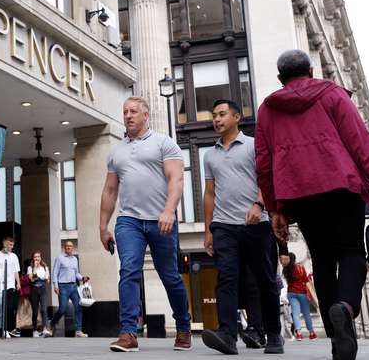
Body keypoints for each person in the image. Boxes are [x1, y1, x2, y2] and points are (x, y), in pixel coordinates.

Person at [255, 49, 369, 360]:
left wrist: (274, 208)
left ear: (281, 79)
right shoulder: (331, 95)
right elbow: (361, 142)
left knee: (321, 258)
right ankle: (344, 307)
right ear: (311, 69)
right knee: (351, 253)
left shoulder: (268, 109)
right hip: (342, 185)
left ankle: (338, 340)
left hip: (299, 193)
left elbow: (263, 163)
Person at [99, 97, 192, 353]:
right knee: (129, 270)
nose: (128, 116)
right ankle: (128, 333)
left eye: (133, 111)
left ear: (146, 115)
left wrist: (169, 211)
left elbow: (176, 180)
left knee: (170, 276)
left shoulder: (163, 143)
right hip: (129, 220)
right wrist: (103, 226)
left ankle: (183, 327)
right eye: (125, 111)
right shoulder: (116, 151)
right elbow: (109, 190)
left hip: (161, 220)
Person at [201, 99, 284, 355]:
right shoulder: (210, 154)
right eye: (214, 115)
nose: (216, 119)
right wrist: (208, 230)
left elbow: (266, 178)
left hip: (256, 224)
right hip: (224, 225)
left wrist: (260, 204)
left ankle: (273, 334)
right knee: (226, 278)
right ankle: (227, 334)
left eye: (222, 114)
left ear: (237, 117)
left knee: (265, 280)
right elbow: (210, 193)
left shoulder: (253, 145)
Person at [47, 241, 88, 338]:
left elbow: (76, 273)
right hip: (63, 287)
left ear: (72, 248)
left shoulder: (74, 259)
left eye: (70, 246)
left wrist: (82, 278)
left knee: (78, 307)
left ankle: (78, 330)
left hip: (73, 286)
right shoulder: (59, 258)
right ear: (64, 248)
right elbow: (55, 273)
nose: (69, 248)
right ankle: (51, 324)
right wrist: (55, 286)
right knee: (62, 309)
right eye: (67, 246)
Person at [0, 236, 22, 338]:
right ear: (4, 244)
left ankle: (6, 329)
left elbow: (16, 271)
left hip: (10, 285)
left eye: (12, 245)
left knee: (9, 307)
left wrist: (18, 283)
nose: (11, 247)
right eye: (9, 244)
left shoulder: (14, 256)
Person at [280, 252, 315, 341]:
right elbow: (306, 280)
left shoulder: (286, 269)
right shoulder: (300, 267)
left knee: (295, 313)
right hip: (302, 292)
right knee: (306, 313)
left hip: (291, 293)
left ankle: (298, 333)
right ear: (294, 259)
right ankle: (311, 333)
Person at [28, 251, 51, 337]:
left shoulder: (45, 267)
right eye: (35, 257)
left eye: (38, 257)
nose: (37, 258)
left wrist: (47, 279)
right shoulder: (30, 268)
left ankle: (45, 328)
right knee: (35, 311)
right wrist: (35, 268)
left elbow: (47, 279)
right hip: (34, 290)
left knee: (44, 309)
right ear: (33, 258)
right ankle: (34, 330)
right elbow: (32, 279)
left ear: (40, 258)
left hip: (43, 289)